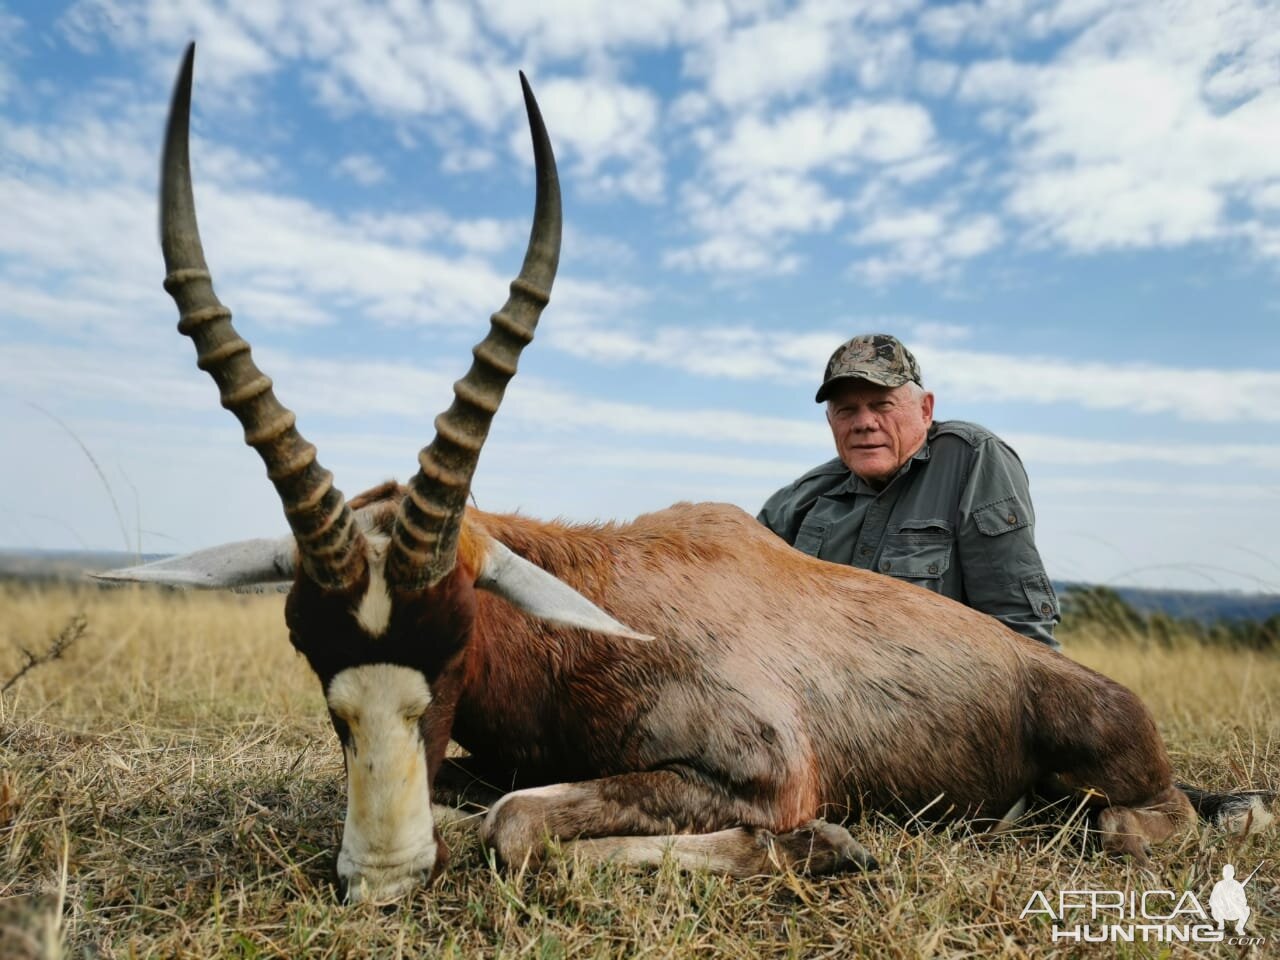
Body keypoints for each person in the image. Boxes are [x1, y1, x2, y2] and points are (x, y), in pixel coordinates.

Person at [758, 333, 1060, 647]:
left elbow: (1022, 630)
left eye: (882, 404)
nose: (864, 423)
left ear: (925, 410)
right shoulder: (804, 497)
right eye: (846, 410)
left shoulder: (972, 460)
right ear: (830, 420)